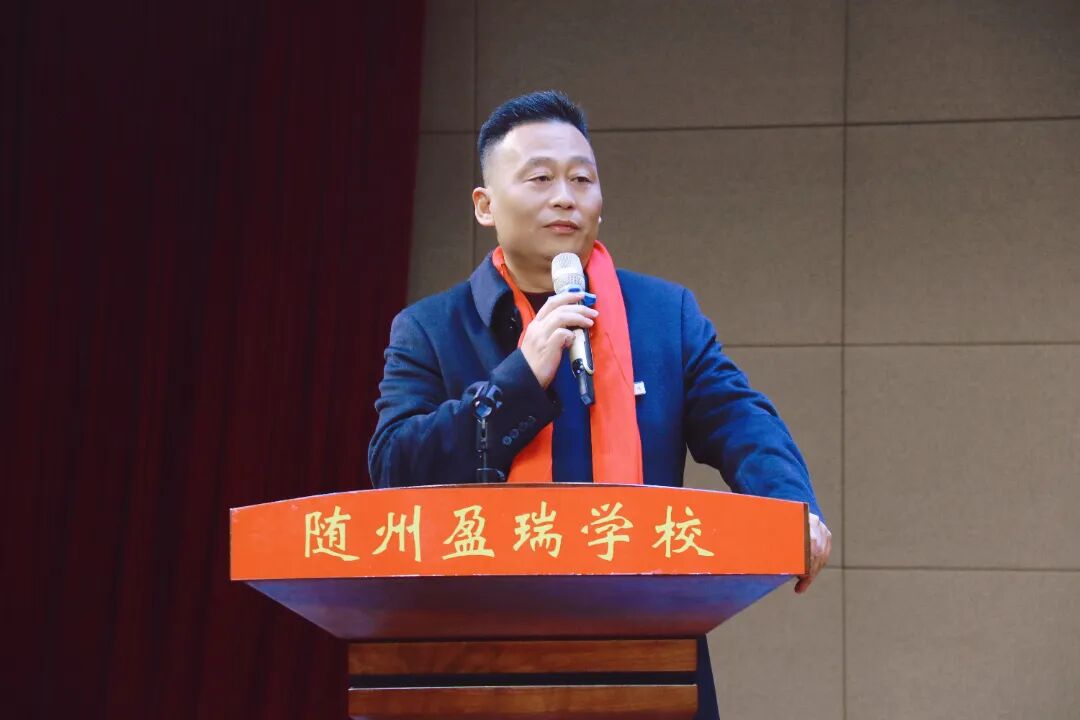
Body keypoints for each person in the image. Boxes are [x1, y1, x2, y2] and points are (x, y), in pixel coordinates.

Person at [368, 90, 831, 719]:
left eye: (582, 179)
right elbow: (395, 465)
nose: (565, 196)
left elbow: (742, 420)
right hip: (482, 655)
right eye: (540, 178)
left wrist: (790, 507)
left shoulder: (664, 316)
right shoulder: (430, 329)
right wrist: (519, 380)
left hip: (646, 655)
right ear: (485, 205)